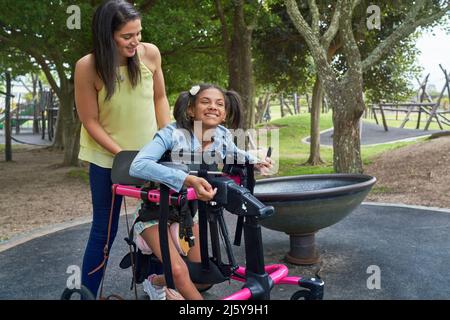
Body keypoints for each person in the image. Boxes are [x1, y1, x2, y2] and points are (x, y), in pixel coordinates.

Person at [129, 83, 273, 300]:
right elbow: (137, 166)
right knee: (179, 271)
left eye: (219, 104)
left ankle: (156, 283)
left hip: (186, 212)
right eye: (205, 102)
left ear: (224, 114)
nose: (213, 107)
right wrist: (186, 179)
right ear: (190, 110)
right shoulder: (171, 133)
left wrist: (255, 162)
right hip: (154, 212)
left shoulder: (222, 135)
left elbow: (235, 153)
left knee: (203, 276)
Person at [74, 0, 170, 298]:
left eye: (138, 33)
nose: (136, 41)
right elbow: (89, 120)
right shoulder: (87, 67)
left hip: (151, 156)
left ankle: (158, 284)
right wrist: (123, 156)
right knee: (105, 229)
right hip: (108, 159)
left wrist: (166, 139)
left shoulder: (150, 54)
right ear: (107, 35)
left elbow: (160, 99)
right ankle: (88, 293)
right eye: (127, 36)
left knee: (163, 219)